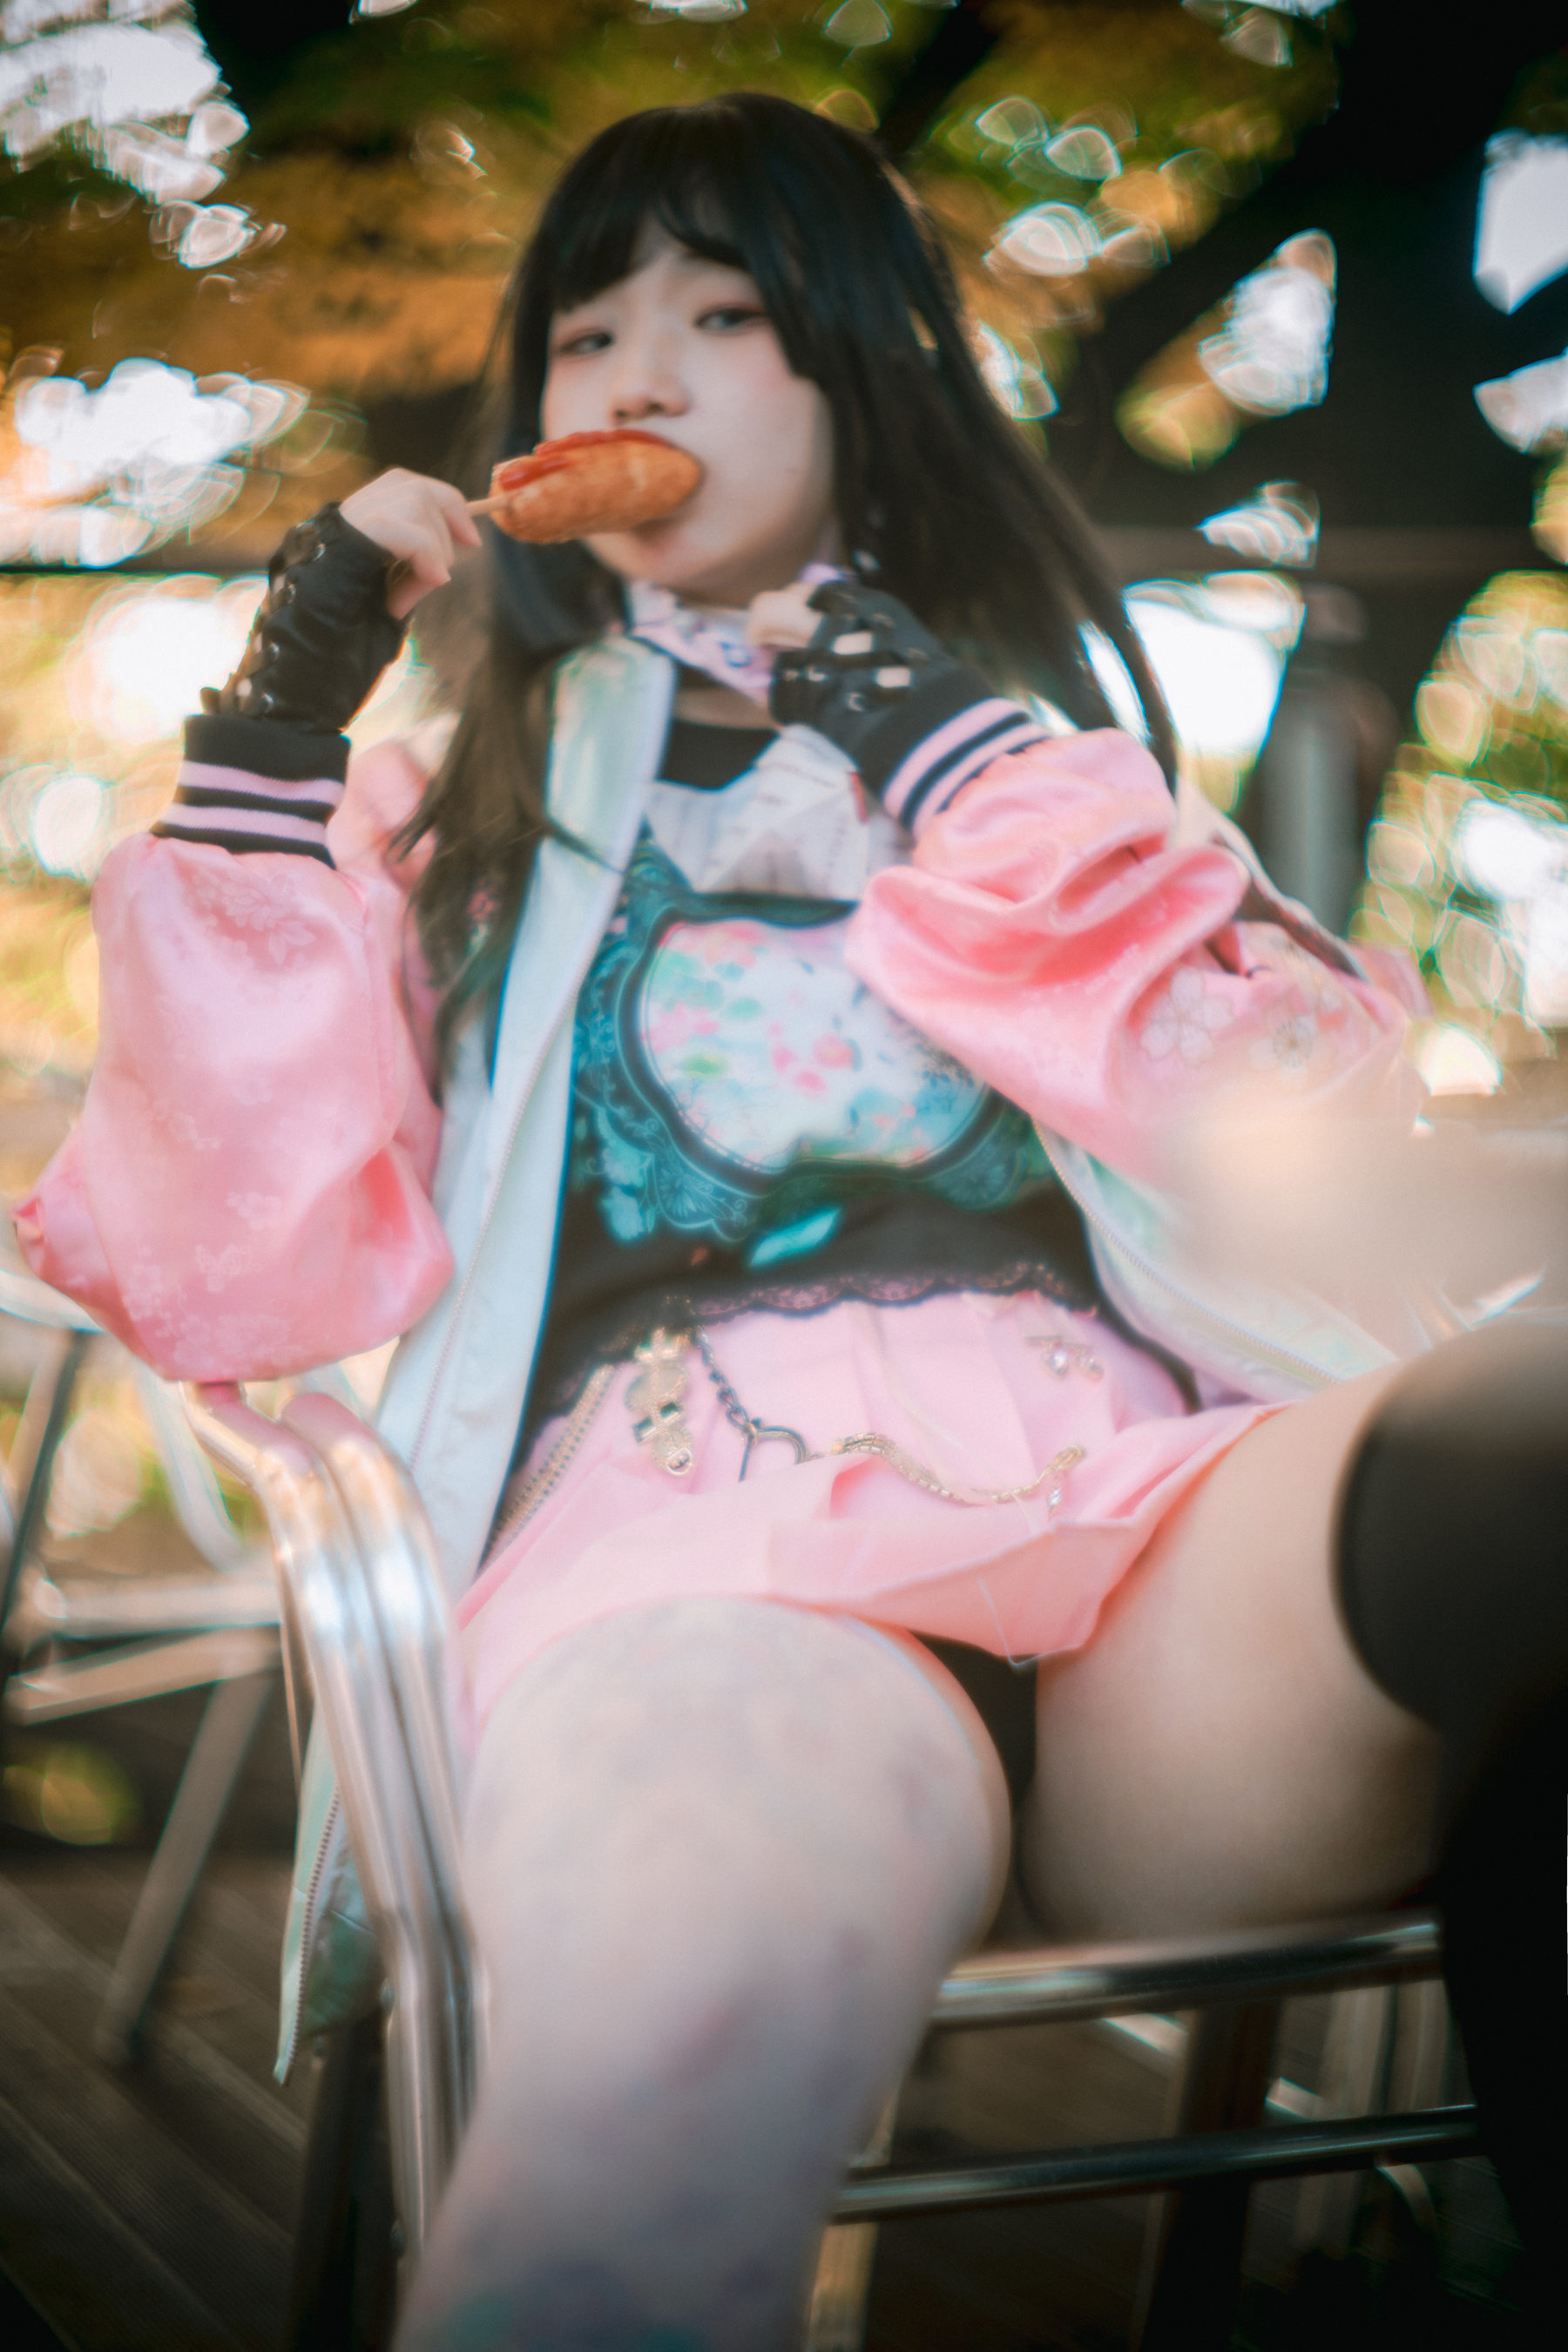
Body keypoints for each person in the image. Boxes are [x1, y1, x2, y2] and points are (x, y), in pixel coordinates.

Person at [15, 93, 1565, 2350]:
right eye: (588, 328)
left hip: (1163, 1567)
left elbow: (1286, 1130)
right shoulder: (445, 810)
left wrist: (936, 742)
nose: (637, 368)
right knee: (688, 2030)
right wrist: (279, 719)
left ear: (861, 375)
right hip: (712, 1566)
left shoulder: (1026, 772)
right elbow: (220, 1254)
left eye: (725, 313)